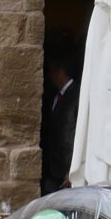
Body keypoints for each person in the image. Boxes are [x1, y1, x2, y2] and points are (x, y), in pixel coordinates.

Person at [38, 44, 80, 195]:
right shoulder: (53, 96)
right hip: (51, 168)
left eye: (52, 71)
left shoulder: (77, 96)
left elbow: (77, 133)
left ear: (60, 71)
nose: (49, 76)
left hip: (65, 170)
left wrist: (73, 169)